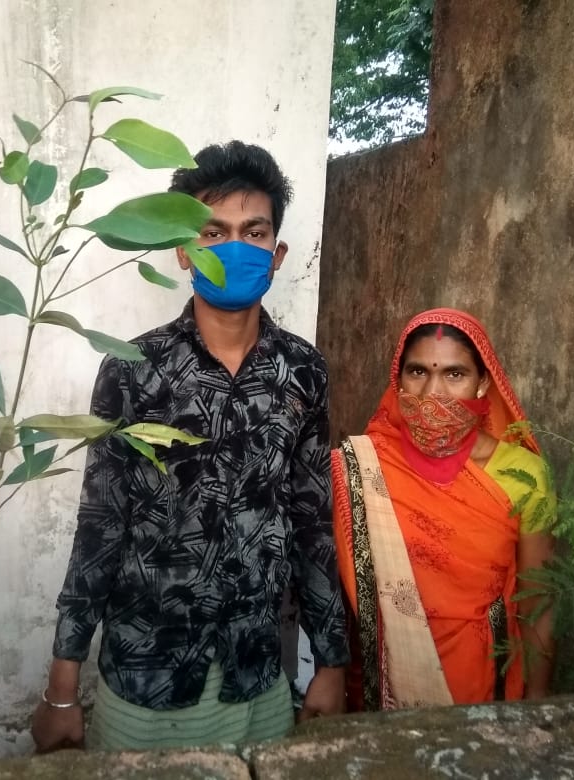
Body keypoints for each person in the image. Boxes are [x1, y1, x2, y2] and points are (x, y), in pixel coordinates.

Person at [32, 141, 350, 752]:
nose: (234, 246)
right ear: (183, 250)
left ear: (276, 253)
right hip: (145, 677)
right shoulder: (133, 369)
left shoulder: (303, 371)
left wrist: (330, 662)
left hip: (257, 675)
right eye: (213, 231)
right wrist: (62, 685)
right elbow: (99, 528)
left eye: (253, 231)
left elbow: (313, 523)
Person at [331, 308, 556, 710]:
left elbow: (537, 601)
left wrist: (537, 704)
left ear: (483, 383)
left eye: (454, 374)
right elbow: (333, 591)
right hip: (383, 681)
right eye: (418, 372)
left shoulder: (523, 474)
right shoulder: (365, 467)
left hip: (482, 682)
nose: (433, 392)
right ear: (397, 381)